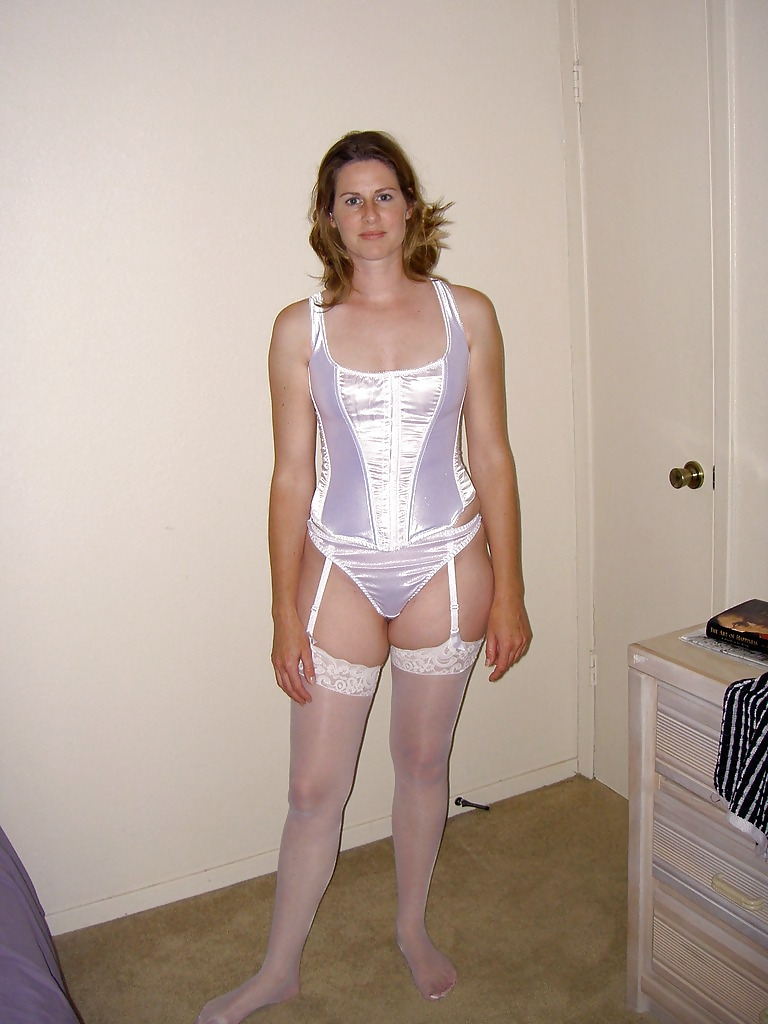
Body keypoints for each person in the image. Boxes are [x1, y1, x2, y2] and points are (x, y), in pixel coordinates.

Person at [196, 130, 531, 1024]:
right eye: (351, 199)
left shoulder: (469, 313)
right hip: (338, 565)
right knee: (313, 790)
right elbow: (289, 477)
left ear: (411, 207)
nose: (370, 213)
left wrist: (512, 591)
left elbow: (493, 457)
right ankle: (278, 969)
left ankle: (412, 928)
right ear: (329, 217)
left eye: (385, 194)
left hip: (448, 565)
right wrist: (282, 612)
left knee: (422, 762)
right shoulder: (298, 329)